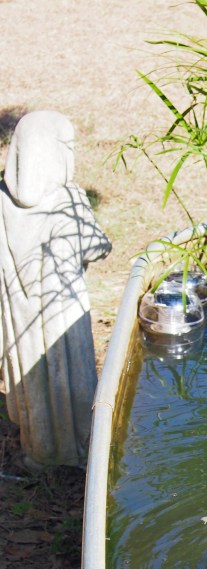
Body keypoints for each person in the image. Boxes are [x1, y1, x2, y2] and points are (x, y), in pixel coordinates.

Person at [0, 110, 111, 467]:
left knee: (31, 383)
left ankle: (39, 451)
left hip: (19, 319)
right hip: (63, 317)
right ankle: (78, 453)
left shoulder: (1, 200)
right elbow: (99, 247)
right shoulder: (67, 201)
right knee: (70, 384)